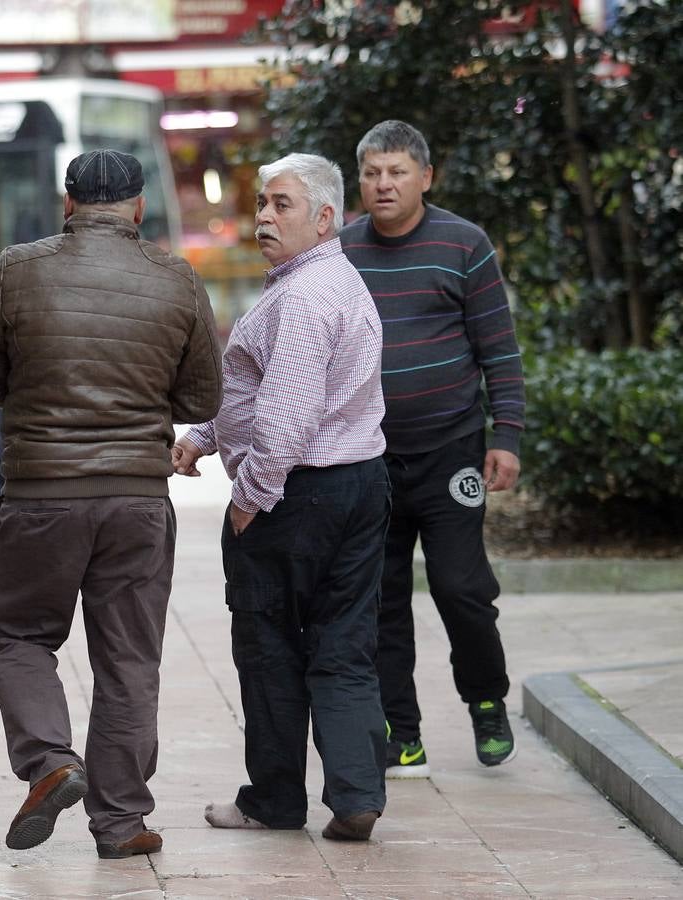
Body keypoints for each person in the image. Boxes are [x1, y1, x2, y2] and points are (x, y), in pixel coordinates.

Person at [0, 149, 222, 859]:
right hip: (138, 500)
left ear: (67, 202)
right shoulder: (175, 278)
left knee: (18, 635)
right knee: (129, 659)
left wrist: (36, 391)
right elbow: (203, 397)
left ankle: (50, 762)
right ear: (139, 207)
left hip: (41, 495)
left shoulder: (17, 269)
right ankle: (122, 822)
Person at [173, 153, 390, 842]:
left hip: (297, 494)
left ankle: (273, 800)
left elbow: (287, 415)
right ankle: (356, 794)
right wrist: (205, 437)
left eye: (281, 204)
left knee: (268, 647)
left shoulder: (303, 297)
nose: (264, 216)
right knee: (344, 643)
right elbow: (262, 388)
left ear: (324, 218)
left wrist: (250, 497)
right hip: (357, 483)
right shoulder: (333, 279)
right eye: (263, 203)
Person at [340, 120, 525, 777]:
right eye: (371, 173)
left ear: (425, 177)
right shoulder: (340, 252)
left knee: (461, 587)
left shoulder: (463, 243)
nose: (383, 184)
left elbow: (498, 348)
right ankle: (404, 734)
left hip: (451, 453)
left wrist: (506, 436)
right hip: (369, 459)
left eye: (396, 172)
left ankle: (486, 700)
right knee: (381, 598)